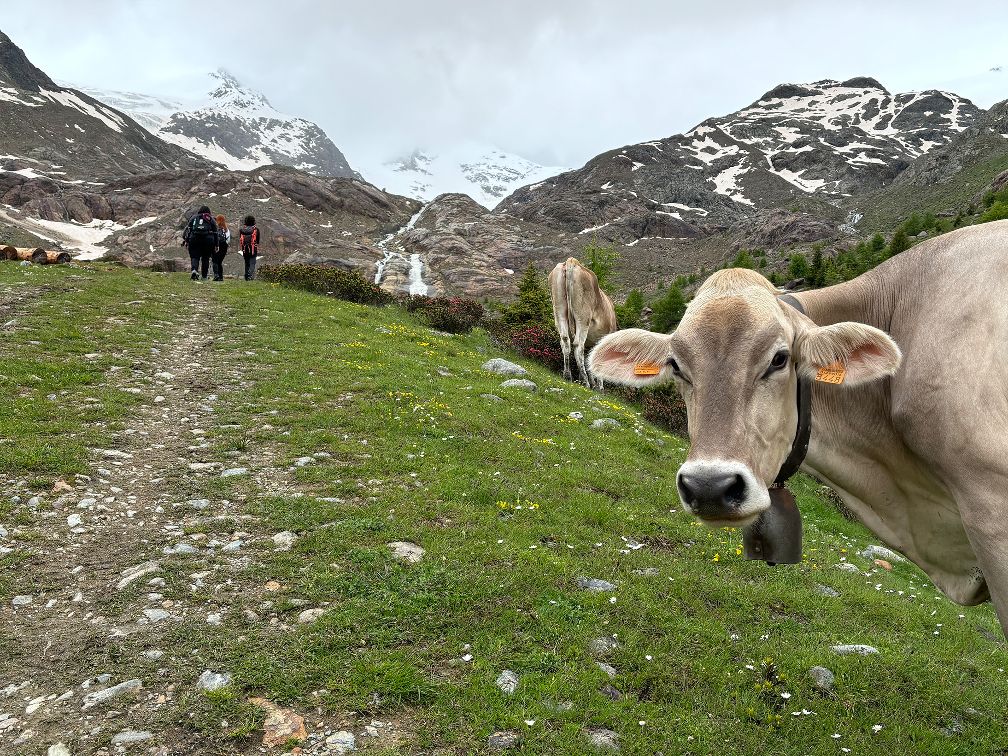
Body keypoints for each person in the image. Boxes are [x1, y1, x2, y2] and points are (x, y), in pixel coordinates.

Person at [182, 205, 218, 281]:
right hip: (208, 241)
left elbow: (188, 230)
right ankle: (204, 276)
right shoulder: (210, 218)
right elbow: (215, 233)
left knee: (195, 256)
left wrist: (187, 240)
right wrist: (216, 245)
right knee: (205, 258)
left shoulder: (194, 217)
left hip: (194, 239)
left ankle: (194, 270)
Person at [238, 215, 260, 281]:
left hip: (245, 249)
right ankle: (250, 276)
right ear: (253, 221)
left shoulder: (242, 230)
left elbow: (240, 239)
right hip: (253, 248)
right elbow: (257, 240)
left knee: (247, 262)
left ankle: (246, 276)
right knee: (252, 262)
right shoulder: (256, 229)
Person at [212, 215, 230, 281]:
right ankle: (221, 277)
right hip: (224, 247)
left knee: (215, 261)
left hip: (217, 246)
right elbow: (228, 240)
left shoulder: (215, 227)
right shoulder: (226, 229)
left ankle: (216, 275)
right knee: (219, 262)